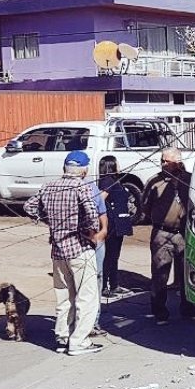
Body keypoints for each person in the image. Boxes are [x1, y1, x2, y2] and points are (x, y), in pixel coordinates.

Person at [24, 150, 103, 356]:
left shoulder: (49, 187)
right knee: (87, 298)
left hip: (57, 251)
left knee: (63, 297)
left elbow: (29, 206)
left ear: (65, 168)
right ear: (84, 170)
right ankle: (79, 342)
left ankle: (62, 338)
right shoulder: (82, 187)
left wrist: (49, 221)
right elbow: (93, 218)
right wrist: (86, 231)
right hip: (80, 249)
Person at [141, 147, 195, 324]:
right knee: (160, 274)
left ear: (177, 162)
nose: (162, 163)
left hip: (184, 234)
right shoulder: (154, 182)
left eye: (166, 161)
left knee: (186, 274)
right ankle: (159, 311)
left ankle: (188, 309)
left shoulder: (190, 180)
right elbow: (145, 206)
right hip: (162, 233)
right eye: (162, 160)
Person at [98, 155, 133, 296]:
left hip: (120, 222)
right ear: (111, 165)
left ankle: (114, 284)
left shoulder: (115, 181)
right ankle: (104, 286)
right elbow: (100, 199)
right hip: (112, 223)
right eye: (116, 163)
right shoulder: (107, 181)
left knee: (114, 255)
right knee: (110, 255)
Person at [87, 177, 108, 336]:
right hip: (76, 244)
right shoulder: (59, 188)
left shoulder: (91, 186)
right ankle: (77, 325)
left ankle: (94, 322)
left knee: (97, 279)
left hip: (96, 241)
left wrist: (103, 231)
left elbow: (102, 211)